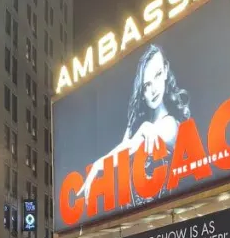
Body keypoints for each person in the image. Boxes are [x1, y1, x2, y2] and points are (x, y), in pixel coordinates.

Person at [81, 44, 191, 204]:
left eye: (158, 75)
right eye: (146, 85)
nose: (153, 89)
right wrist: (99, 164)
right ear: (142, 91)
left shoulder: (170, 125)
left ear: (166, 71)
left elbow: (130, 147)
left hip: (168, 211)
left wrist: (100, 164)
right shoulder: (141, 126)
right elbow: (124, 150)